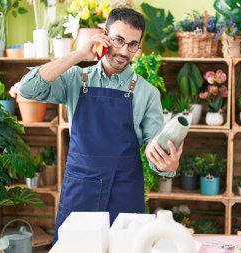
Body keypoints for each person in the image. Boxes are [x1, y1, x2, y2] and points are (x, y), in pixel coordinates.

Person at [18, 8, 183, 242]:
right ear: (104, 35)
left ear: (139, 46)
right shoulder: (75, 79)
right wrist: (78, 54)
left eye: (133, 44)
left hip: (125, 192)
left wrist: (166, 164)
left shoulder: (148, 93)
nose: (125, 51)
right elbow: (28, 88)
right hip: (80, 189)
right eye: (118, 40)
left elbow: (152, 146)